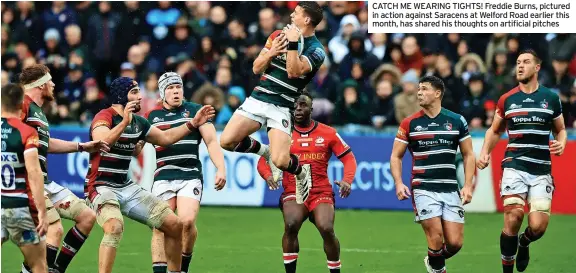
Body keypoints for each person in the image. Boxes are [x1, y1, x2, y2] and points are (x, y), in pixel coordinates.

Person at [85, 76, 215, 273]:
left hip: (125, 186)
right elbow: (102, 143)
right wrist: (124, 123)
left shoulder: (139, 122)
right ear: (122, 97)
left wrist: (192, 123)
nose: (140, 96)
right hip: (100, 187)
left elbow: (166, 138)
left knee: (174, 224)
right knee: (114, 227)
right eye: (135, 92)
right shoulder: (105, 116)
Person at [220, 2, 326, 204]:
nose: (291, 16)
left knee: (281, 161)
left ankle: (301, 172)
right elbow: (256, 68)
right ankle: (264, 151)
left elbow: (294, 72)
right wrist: (271, 52)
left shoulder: (317, 51)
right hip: (259, 98)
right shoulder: (278, 35)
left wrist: (294, 44)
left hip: (282, 105)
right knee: (226, 141)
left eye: (296, 13)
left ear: (306, 20)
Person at [476, 49, 567, 273]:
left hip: (541, 169)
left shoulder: (551, 98)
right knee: (514, 215)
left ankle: (524, 242)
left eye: (525, 62)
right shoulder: (507, 99)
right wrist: (485, 151)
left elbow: (561, 129)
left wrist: (562, 142)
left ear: (537, 67)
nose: (519, 66)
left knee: (538, 227)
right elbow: (495, 130)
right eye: (517, 62)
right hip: (514, 165)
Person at [18, 64, 109, 273]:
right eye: (50, 81)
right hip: (27, 181)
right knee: (54, 229)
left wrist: (81, 147)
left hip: (43, 181)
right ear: (40, 85)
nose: (53, 84)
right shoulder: (21, 105)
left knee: (87, 217)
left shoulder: (37, 112)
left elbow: (46, 143)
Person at [257, 94, 357, 273]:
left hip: (320, 191)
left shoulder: (328, 133)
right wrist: (268, 175)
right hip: (293, 190)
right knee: (291, 224)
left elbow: (349, 158)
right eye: (295, 106)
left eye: (303, 105)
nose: (298, 109)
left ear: (312, 109)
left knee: (326, 228)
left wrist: (347, 180)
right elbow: (263, 160)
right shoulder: (282, 133)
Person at [390, 75, 475, 273]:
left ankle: (433, 261)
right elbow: (396, 156)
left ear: (437, 94)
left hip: (450, 188)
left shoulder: (456, 121)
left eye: (424, 89)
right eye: (419, 88)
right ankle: (438, 265)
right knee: (435, 237)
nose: (419, 92)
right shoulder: (409, 123)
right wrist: (398, 182)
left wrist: (468, 185)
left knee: (454, 243)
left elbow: (469, 155)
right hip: (423, 188)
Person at [145, 72, 226, 273]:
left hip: (189, 175)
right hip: (163, 176)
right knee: (160, 225)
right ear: (162, 92)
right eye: (170, 88)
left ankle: (183, 266)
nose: (175, 91)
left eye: (178, 87)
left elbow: (211, 141)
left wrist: (221, 168)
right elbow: (139, 142)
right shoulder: (152, 116)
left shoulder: (196, 111)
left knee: (186, 222)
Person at [1, 83, 49, 273]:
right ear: (22, 103)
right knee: (38, 265)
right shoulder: (26, 132)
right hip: (18, 209)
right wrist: (42, 212)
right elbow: (34, 173)